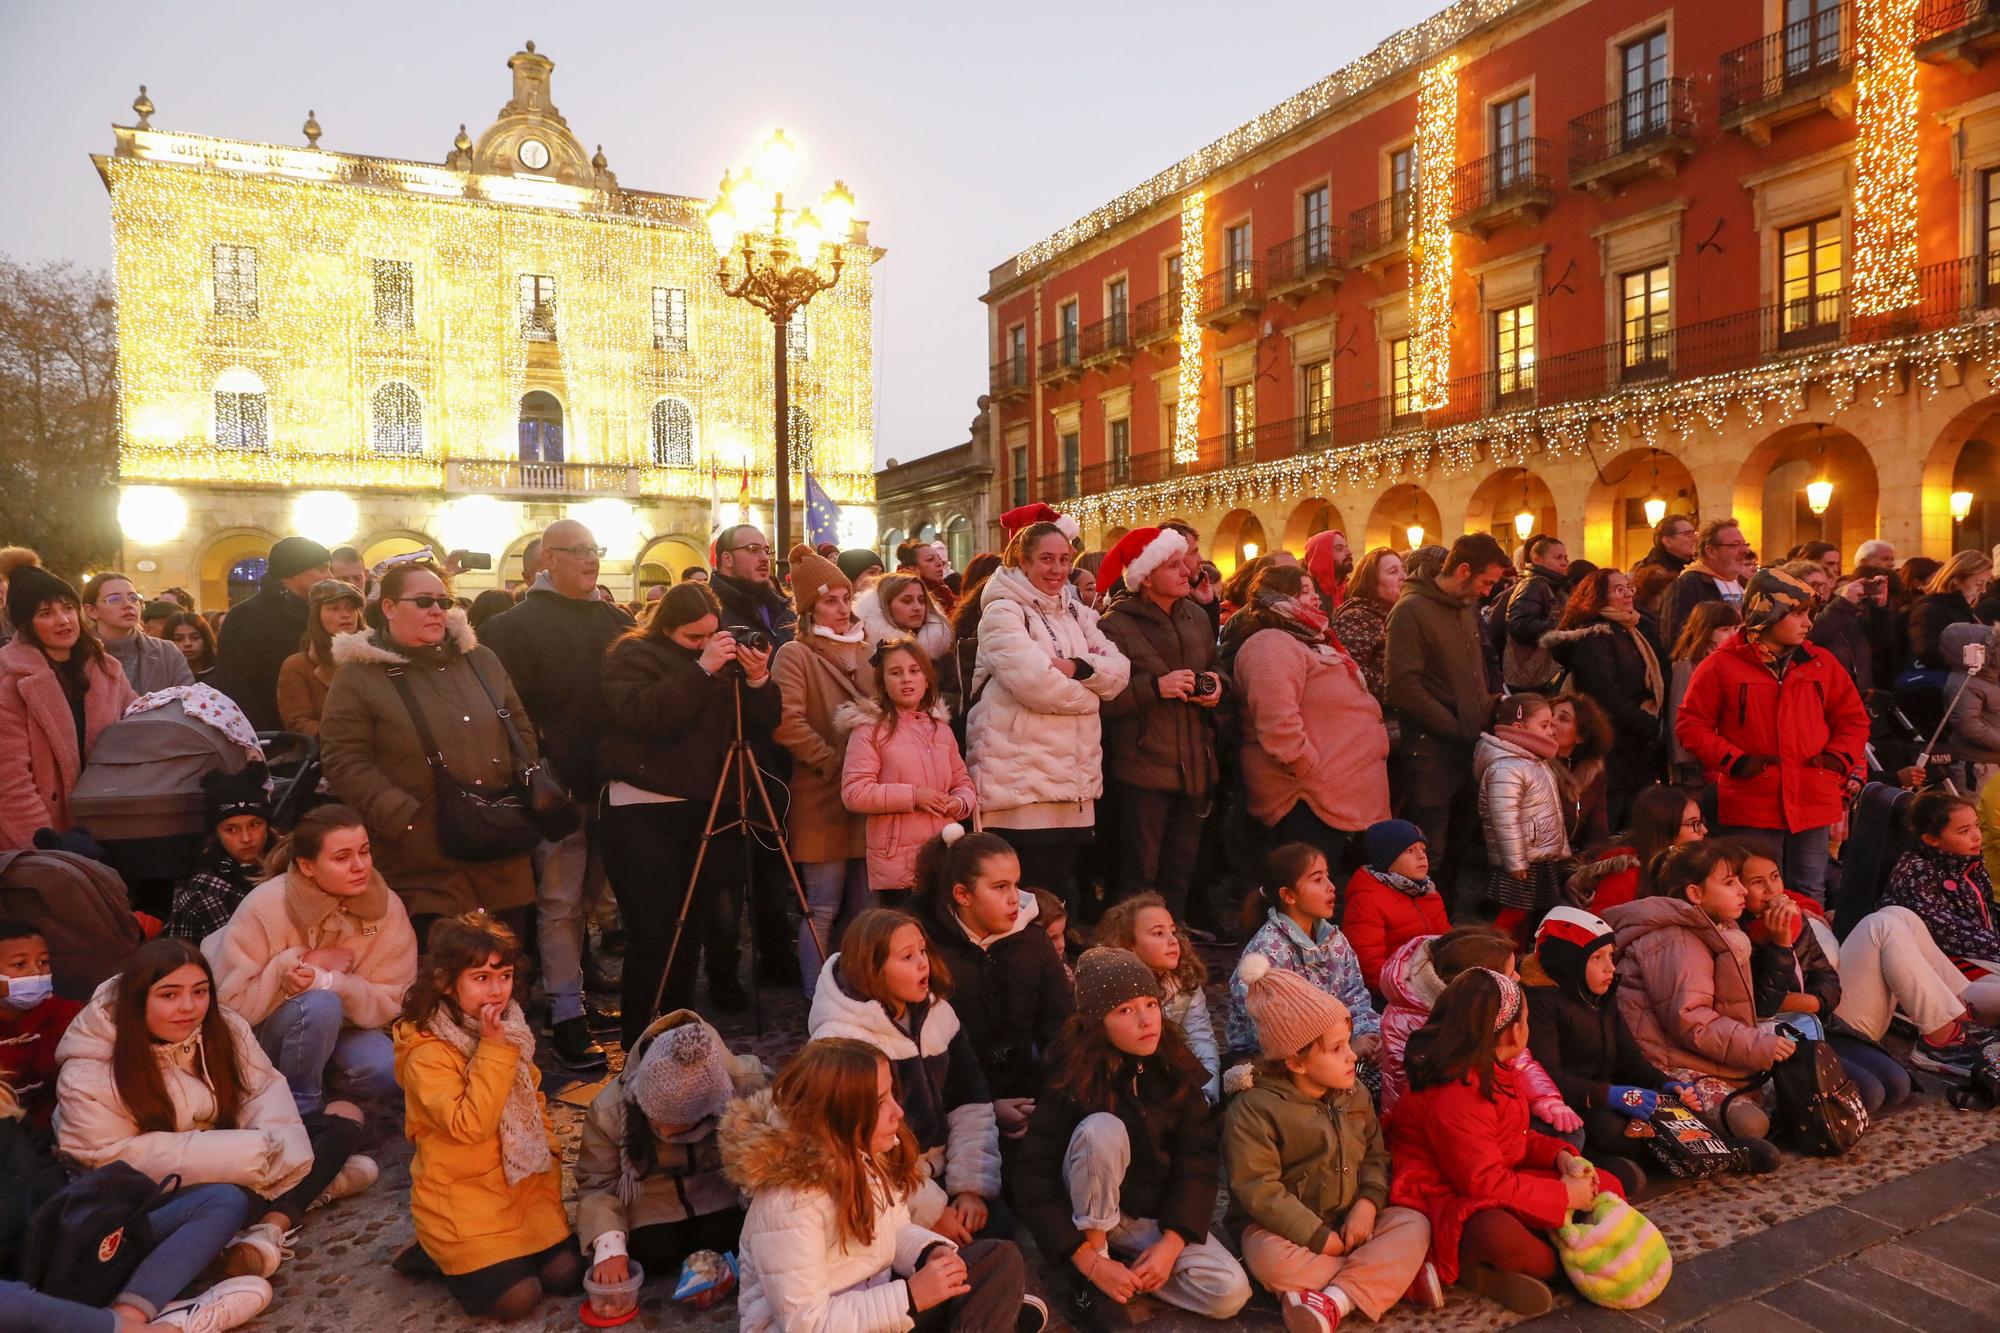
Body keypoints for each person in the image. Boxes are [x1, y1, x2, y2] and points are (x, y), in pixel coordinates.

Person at [54, 937, 370, 1282]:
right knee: (228, 1198)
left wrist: (277, 1154)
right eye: (169, 995)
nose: (188, 1007)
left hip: (240, 1154)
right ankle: (302, 1195)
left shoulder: (224, 1027)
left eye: (200, 992)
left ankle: (269, 1227)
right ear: (136, 999)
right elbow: (106, 1158)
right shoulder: (90, 1069)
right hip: (160, 1189)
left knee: (344, 1116)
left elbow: (262, 1092)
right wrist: (245, 1155)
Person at [721, 1037, 1037, 1333]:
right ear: (840, 1116)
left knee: (999, 1260)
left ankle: (985, 1313)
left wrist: (929, 1252)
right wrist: (910, 1297)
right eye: (880, 1102)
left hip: (872, 1302)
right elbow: (809, 1323)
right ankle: (990, 1316)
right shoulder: (788, 1203)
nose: (898, 1112)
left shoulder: (862, 1155)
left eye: (892, 1095)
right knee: (981, 1295)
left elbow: (895, 1228)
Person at [1017, 948, 1252, 1324]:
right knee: (1103, 1130)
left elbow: (1198, 1160)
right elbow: (1034, 1177)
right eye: (1125, 1011)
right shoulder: (1073, 1075)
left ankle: (1127, 1275)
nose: (1146, 1020)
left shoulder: (1173, 1064)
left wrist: (1170, 1247)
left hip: (1148, 1216)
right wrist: (1085, 1258)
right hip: (1087, 1212)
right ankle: (1095, 1272)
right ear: (1098, 1022)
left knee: (1229, 1293)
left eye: (1150, 1004)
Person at [477, 519, 633, 1072]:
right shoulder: (513, 627)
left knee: (598, 898)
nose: (590, 560)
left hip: (613, 783)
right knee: (561, 905)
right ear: (548, 558)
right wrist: (537, 769)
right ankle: (567, 1013)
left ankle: (582, 993)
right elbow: (507, 715)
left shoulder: (617, 620)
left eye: (596, 550)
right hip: (555, 787)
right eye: (578, 551)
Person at [319, 560, 539, 941]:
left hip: (500, 841)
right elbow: (344, 758)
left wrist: (520, 785)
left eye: (443, 600)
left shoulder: (479, 659)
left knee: (503, 960)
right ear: (388, 608)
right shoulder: (359, 675)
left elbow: (518, 725)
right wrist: (404, 816)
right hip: (424, 855)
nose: (436, 609)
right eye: (422, 601)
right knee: (438, 966)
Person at [1388, 968, 1624, 1316]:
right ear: (1514, 1030)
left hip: (1493, 1177)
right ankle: (1560, 1268)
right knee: (1497, 1234)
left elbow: (1515, 1140)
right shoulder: (1455, 1092)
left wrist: (1561, 1157)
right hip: (1442, 1195)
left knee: (1607, 1185)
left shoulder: (1494, 1068)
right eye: (1526, 1018)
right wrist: (1562, 1196)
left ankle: (1530, 1257)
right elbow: (1482, 1182)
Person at [599, 582, 774, 1039]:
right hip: (643, 811)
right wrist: (702, 668)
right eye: (692, 638)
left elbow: (757, 725)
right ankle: (640, 1037)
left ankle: (679, 1033)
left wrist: (757, 680)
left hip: (706, 806)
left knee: (690, 931)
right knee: (654, 932)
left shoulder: (718, 659)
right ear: (666, 628)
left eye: (709, 635)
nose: (703, 644)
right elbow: (647, 714)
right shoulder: (632, 656)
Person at [1226, 954, 1438, 1330]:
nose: (1350, 1055)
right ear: (1297, 1062)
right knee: (1268, 1259)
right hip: (1284, 1232)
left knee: (1413, 1223)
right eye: (1337, 1048)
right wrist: (1316, 1237)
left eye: (1348, 1043)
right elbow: (1259, 1190)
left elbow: (1375, 1154)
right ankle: (1389, 1282)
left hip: (1349, 1221)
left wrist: (1368, 1206)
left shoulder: (1352, 1092)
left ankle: (1330, 1299)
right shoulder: (1254, 1108)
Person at [392, 914, 579, 1320]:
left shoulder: (509, 1028)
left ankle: (494, 1256)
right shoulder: (427, 1050)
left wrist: (550, 1161)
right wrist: (493, 1052)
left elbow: (536, 1104)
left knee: (566, 1275)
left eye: (506, 975)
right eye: (481, 978)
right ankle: (435, 1252)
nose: (497, 991)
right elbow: (469, 1124)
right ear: (444, 981)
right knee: (518, 1300)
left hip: (523, 1193)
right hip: (464, 1199)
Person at [204, 805, 413, 1118]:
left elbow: (394, 1001)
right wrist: (294, 964)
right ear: (307, 866)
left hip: (345, 1029)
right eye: (342, 858)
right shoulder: (267, 905)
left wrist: (331, 982)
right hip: (263, 1033)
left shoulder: (387, 908)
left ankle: (329, 1089)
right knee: (319, 1005)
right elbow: (229, 1007)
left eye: (364, 852)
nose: (359, 866)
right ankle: (303, 1111)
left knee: (388, 1069)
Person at [807, 910, 1004, 1242]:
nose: (923, 963)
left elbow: (970, 1099)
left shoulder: (939, 1014)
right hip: (886, 1186)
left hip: (942, 1167)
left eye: (923, 950)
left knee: (996, 1227)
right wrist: (930, 1211)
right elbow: (857, 1152)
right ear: (873, 969)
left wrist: (970, 1187)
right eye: (907, 957)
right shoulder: (843, 1044)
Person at [1676, 567, 1869, 903]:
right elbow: (1691, 725)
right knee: (1758, 895)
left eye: (1808, 613)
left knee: (1810, 891)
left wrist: (1837, 758)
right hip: (1752, 802)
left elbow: (1854, 719)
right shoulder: (1720, 665)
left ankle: (1809, 955)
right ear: (1767, 613)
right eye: (1797, 613)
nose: (1808, 623)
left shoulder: (1821, 662)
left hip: (1813, 797)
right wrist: (1736, 762)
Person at [965, 520, 1131, 901]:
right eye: (1046, 559)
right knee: (1020, 895)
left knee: (1058, 895)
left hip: (1071, 779)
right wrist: (1092, 697)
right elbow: (1035, 684)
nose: (1057, 570)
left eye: (1063, 560)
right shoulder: (1003, 612)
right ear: (1023, 562)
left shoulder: (1073, 611)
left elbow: (1119, 670)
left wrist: (1077, 668)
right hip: (1019, 784)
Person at [1601, 842, 1790, 1143]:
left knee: (1799, 1089)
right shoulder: (1675, 939)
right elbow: (1690, 1021)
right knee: (1753, 1124)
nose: (1742, 890)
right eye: (1730, 883)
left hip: (1704, 1053)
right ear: (1695, 894)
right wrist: (1758, 1044)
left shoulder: (1716, 926)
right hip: (1666, 1060)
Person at [575, 1010, 766, 1299]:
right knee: (652, 1253)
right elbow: (598, 1182)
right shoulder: (611, 1109)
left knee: (753, 1240)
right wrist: (608, 1246)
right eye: (655, 1119)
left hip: (722, 1197)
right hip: (653, 1206)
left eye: (682, 1125)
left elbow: (782, 1156)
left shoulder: (747, 1083)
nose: (665, 1132)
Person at [915, 829, 1074, 1146]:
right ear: (963, 895)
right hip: (952, 1110)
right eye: (1000, 887)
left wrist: (1046, 1102)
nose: (1015, 897)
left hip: (1031, 1099)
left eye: (1015, 883)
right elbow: (924, 1057)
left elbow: (1063, 1029)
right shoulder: (925, 949)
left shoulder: (1033, 942)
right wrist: (986, 1106)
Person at [1098, 526, 1223, 918]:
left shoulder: (1197, 617)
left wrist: (1220, 686)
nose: (1186, 570)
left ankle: (1175, 946)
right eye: (1173, 565)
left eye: (1183, 561)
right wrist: (1155, 687)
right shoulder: (1114, 626)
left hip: (1195, 764)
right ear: (1146, 577)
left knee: (1179, 869)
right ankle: (1130, 953)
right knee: (1140, 871)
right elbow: (1103, 697)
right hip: (1144, 767)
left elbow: (1218, 668)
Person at [1235, 563, 1391, 871]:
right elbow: (1277, 718)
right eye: (1304, 592)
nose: (1315, 598)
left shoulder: (1313, 640)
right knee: (1307, 883)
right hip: (1306, 799)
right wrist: (1303, 764)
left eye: (1313, 589)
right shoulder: (1272, 644)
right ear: (1278, 599)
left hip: (1337, 794)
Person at [1736, 847, 1911, 1115]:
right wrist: (1781, 945)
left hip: (1818, 1022)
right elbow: (1765, 1005)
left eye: (1775, 877)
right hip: (1781, 1038)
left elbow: (1827, 978)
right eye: (1757, 883)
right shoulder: (1739, 936)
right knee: (1871, 1094)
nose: (1772, 890)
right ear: (1738, 889)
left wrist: (1813, 1001)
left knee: (1899, 1084)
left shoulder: (1795, 919)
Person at [1384, 533, 1507, 903]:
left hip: (1468, 745)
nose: (1487, 593)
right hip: (1430, 750)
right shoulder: (1410, 611)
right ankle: (1419, 929)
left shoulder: (1464, 606)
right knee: (1429, 851)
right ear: (1463, 570)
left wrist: (1488, 707)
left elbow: (1479, 669)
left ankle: (1446, 922)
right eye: (1485, 582)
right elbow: (1402, 685)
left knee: (1458, 843)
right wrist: (1455, 725)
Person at [773, 546, 874, 998]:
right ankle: (818, 1001)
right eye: (830, 600)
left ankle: (859, 995)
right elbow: (787, 722)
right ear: (810, 605)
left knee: (866, 910)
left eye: (845, 598)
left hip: (868, 800)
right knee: (823, 908)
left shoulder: (867, 649)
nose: (840, 609)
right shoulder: (795, 654)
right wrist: (836, 763)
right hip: (823, 796)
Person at [1522, 907, 1678, 1198]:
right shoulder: (1540, 1004)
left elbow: (1628, 1057)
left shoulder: (1599, 994)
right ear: (1569, 962)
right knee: (1610, 1128)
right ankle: (1606, 1164)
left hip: (1607, 1094)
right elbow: (1549, 1078)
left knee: (1676, 1110)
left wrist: (1664, 1082)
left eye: (1610, 956)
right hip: (1570, 1109)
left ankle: (1700, 1152)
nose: (1611, 968)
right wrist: (1610, 1095)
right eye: (1597, 958)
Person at [1374, 926, 1572, 1138]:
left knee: (1566, 1133)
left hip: (1485, 1105)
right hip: (1434, 1132)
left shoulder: (1483, 1009)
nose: (1517, 978)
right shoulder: (1408, 1022)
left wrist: (1545, 1098)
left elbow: (1518, 1061)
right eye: (1509, 974)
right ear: (1477, 984)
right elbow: (1432, 1099)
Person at [0, 566, 136, 850]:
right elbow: (10, 779)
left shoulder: (106, 668)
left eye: (68, 608)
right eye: (45, 613)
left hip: (104, 822)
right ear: (25, 623)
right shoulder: (11, 679)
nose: (63, 620)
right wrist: (47, 844)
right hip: (43, 833)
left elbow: (135, 722)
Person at [839, 638, 975, 900]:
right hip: (898, 864)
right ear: (883, 681)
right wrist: (914, 796)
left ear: (927, 677)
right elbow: (854, 793)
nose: (906, 679)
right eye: (895, 672)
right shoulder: (870, 730)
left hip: (944, 855)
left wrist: (958, 804)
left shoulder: (940, 729)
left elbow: (963, 782)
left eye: (914, 671)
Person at [1227, 843, 1381, 1064]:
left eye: (1328, 876)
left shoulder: (1334, 940)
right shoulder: (1265, 953)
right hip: (1277, 1064)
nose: (1331, 886)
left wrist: (1373, 1036)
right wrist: (1344, 1050)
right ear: (1288, 895)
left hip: (1336, 1050)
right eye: (1317, 879)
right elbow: (1275, 1036)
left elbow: (1354, 998)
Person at [1545, 568, 1664, 827]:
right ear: (1598, 596)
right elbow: (1603, 691)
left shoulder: (1635, 627)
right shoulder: (1594, 635)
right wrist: (1645, 723)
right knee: (1610, 818)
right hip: (1613, 741)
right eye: (1618, 589)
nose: (1627, 594)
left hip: (1637, 743)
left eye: (1628, 587)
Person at [1095, 893, 1219, 1102]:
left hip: (1179, 1072)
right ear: (1128, 945)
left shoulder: (1184, 979)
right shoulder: (1112, 988)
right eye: (1158, 933)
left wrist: (1208, 1090)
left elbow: (1200, 1036)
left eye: (1173, 931)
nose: (1173, 941)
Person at [1475, 693, 1573, 947]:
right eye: (1544, 725)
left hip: (1539, 855)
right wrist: (1515, 860)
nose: (1552, 731)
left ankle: (1518, 953)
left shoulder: (1535, 761)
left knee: (1535, 910)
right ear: (1518, 727)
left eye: (1552, 724)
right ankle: (1490, 950)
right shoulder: (1506, 767)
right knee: (1514, 910)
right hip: (1522, 859)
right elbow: (1504, 818)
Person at [212, 536, 332, 732]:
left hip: (320, 731)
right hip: (276, 736)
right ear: (293, 571)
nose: (329, 576)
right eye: (321, 568)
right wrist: (269, 739)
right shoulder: (247, 616)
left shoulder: (319, 612)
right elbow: (236, 685)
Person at [1882, 792, 2000, 979]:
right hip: (1943, 966)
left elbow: (1989, 913)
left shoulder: (1968, 863)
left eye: (1976, 826)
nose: (1976, 836)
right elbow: (1943, 930)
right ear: (1931, 839)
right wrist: (1996, 945)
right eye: (1963, 831)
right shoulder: (1916, 870)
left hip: (1981, 953)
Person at [1342, 820, 1450, 997]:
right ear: (1388, 862)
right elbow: (1369, 966)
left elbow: (1446, 940)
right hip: (1392, 992)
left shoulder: (1428, 893)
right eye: (1410, 851)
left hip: (1430, 980)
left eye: (1422, 849)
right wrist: (1410, 990)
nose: (1421, 856)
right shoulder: (1367, 900)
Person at [163, 768, 271, 943]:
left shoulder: (289, 864)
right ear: (216, 834)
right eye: (231, 829)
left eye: (254, 825)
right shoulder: (206, 892)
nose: (246, 838)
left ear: (267, 825)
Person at [0, 917, 83, 1129]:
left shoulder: (72, 1016)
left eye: (43, 962)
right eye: (20, 964)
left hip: (58, 1131)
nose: (37, 972)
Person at [1570, 785, 1705, 914]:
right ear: (1665, 829)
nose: (1704, 830)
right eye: (1695, 824)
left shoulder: (1695, 867)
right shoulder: (1625, 875)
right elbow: (1607, 928)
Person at [1665, 601, 1742, 788]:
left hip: (1725, 755)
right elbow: (1679, 713)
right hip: (1698, 763)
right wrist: (1685, 762)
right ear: (1706, 631)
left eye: (1735, 628)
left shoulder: (1732, 660)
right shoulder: (1687, 666)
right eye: (1724, 629)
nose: (1733, 634)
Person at [276, 579, 363, 740]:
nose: (345, 614)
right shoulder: (297, 666)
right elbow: (298, 723)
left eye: (351, 608)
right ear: (317, 616)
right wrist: (348, 736)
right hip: (331, 754)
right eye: (334, 608)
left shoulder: (374, 658)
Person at [83, 573, 193, 694]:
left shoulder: (167, 653)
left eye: (134, 598)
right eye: (114, 599)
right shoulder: (78, 655)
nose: (128, 605)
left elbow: (188, 703)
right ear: (92, 611)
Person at [1658, 517, 1748, 652]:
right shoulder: (1687, 586)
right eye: (1734, 545)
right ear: (1710, 551)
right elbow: (1674, 640)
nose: (1744, 551)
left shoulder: (1744, 583)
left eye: (1744, 544)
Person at [1327, 547, 1403, 703]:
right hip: (1378, 715)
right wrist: (1403, 690)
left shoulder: (1394, 612)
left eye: (1403, 569)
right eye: (1393, 572)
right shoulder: (1355, 617)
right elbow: (1351, 671)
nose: (1403, 577)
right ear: (1372, 582)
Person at [1501, 535, 1571, 692]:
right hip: (1531, 674)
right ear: (1538, 559)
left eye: (1566, 557)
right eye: (1558, 557)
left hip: (1543, 674)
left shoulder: (1551, 585)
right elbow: (1520, 626)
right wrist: (1561, 627)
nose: (1565, 562)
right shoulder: (1533, 585)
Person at [711, 523, 798, 649]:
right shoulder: (709, 610)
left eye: (767, 551)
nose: (764, 558)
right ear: (727, 559)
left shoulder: (784, 609)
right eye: (753, 549)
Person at [1908, 550, 1994, 674]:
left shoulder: (1965, 611)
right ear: (1956, 581)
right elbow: (1930, 654)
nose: (1984, 590)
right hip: (1943, 687)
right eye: (1978, 584)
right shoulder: (1930, 611)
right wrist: (1979, 657)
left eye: (1986, 584)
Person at [1812, 571, 1888, 697]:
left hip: (1859, 694)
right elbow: (1814, 635)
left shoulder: (1847, 615)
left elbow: (1880, 641)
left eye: (1823, 584)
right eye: (1814, 584)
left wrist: (1879, 608)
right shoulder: (1832, 613)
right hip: (1826, 696)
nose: (1821, 589)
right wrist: (1844, 603)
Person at [858, 570, 953, 666]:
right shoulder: (865, 653)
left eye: (921, 600)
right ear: (885, 606)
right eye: (907, 601)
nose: (917, 607)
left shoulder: (944, 653)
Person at [897, 537, 959, 615]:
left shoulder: (943, 591)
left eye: (939, 558)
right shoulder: (902, 594)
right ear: (913, 568)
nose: (939, 563)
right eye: (930, 559)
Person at [1633, 513, 1697, 578]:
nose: (1695, 538)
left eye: (1694, 533)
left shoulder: (1697, 564)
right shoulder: (1656, 574)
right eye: (1687, 534)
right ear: (1667, 541)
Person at [164, 609, 219, 685]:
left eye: (195, 637)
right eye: (178, 639)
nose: (187, 644)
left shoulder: (221, 673)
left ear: (206, 640)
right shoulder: (163, 675)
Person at [1302, 529, 1353, 610]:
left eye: (1346, 547)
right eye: (1339, 549)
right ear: (1323, 557)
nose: (1349, 552)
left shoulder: (1353, 592)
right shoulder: (1308, 597)